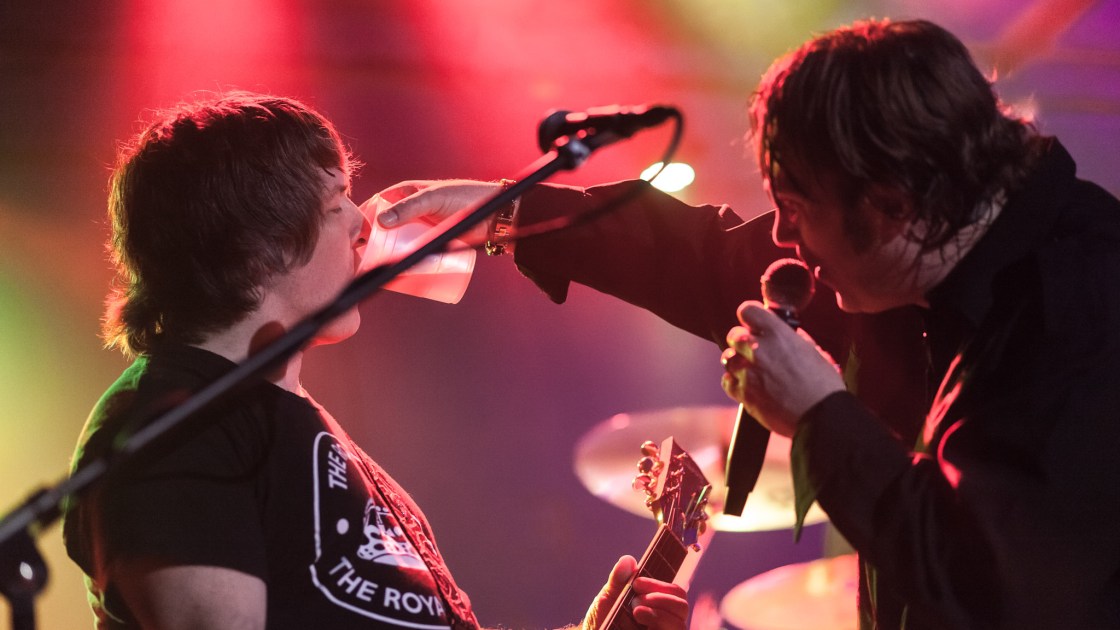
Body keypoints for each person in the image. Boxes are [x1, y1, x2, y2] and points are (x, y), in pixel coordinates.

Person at [375, 18, 1120, 630]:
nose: (784, 239)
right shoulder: (918, 255)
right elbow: (702, 256)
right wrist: (510, 214)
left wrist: (821, 417)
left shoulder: (1083, 319)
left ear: (891, 204)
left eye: (796, 211)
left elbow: (991, 588)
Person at [61, 92, 690, 630]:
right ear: (256, 249)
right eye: (336, 201)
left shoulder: (303, 429)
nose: (362, 225)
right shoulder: (171, 427)